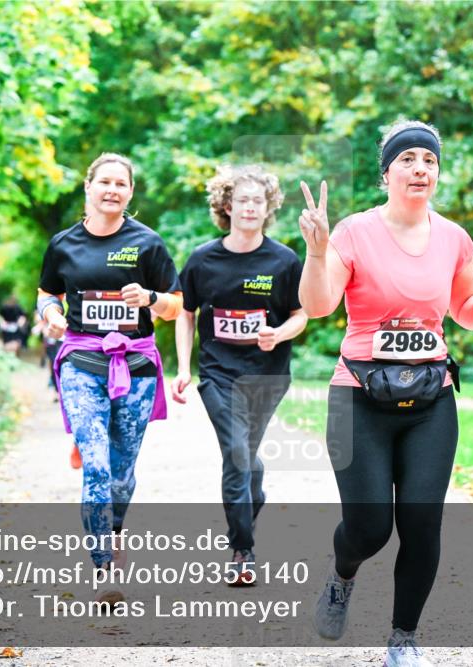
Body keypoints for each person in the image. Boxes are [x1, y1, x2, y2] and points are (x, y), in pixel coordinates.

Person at [297, 120, 473, 666]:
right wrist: (317, 254)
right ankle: (342, 576)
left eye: (429, 160)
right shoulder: (352, 232)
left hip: (430, 398)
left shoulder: (455, 238)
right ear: (386, 172)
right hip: (359, 397)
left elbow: (463, 304)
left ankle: (403, 639)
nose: (420, 168)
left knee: (421, 523)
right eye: (408, 159)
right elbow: (320, 306)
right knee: (369, 529)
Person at [37, 152, 182, 579]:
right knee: (97, 465)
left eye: (121, 184)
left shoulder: (148, 243)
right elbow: (46, 292)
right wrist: (50, 314)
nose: (112, 190)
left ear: (130, 192)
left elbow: (176, 306)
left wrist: (151, 300)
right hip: (81, 362)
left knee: (121, 471)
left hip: (134, 365)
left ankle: (114, 531)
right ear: (88, 187)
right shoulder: (64, 244)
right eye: (105, 182)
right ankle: (104, 567)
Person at [171, 165, 307, 585]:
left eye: (258, 201)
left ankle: (251, 500)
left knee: (248, 464)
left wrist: (277, 333)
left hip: (268, 376)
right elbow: (185, 313)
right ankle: (242, 551)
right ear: (227, 206)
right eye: (242, 200)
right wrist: (182, 367)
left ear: (268, 208)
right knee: (237, 454)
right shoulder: (202, 259)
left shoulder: (284, 261)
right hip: (217, 374)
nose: (250, 207)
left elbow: (302, 315)